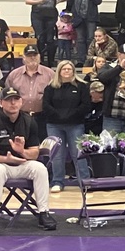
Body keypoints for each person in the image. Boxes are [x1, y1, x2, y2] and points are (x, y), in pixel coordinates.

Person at [0, 86, 58, 236]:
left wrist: (22, 151)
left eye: (16, 99)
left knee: (40, 168)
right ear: (0, 102)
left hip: (22, 163)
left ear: (21, 102)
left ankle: (44, 213)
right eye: (9, 100)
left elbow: (34, 153)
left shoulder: (29, 121)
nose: (13, 103)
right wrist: (6, 159)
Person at [43, 60, 92, 192]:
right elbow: (46, 106)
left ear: (73, 71)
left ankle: (84, 181)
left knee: (78, 153)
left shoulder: (81, 86)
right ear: (59, 71)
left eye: (69, 69)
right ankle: (57, 181)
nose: (66, 71)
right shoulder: (50, 87)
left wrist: (71, 115)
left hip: (75, 124)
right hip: (54, 124)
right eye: (64, 69)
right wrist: (59, 115)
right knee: (57, 155)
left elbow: (86, 105)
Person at [97, 45, 125, 176]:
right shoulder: (110, 67)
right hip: (112, 116)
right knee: (109, 147)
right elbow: (103, 78)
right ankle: (110, 177)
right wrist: (120, 67)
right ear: (119, 54)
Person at [4, 44, 54, 139]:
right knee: (20, 145)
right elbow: (7, 96)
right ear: (24, 57)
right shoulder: (14, 75)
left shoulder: (50, 74)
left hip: (43, 116)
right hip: (20, 116)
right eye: (29, 56)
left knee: (44, 147)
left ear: (39, 56)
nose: (32, 58)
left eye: (34, 55)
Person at [25, 0, 65, 66]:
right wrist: (38, 2)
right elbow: (27, 1)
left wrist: (58, 2)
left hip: (51, 16)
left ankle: (51, 61)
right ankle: (41, 60)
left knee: (50, 39)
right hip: (37, 16)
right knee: (40, 38)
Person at [68, 0, 101, 66]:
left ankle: (90, 59)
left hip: (90, 18)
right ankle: (81, 60)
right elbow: (69, 6)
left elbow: (98, 1)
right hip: (78, 18)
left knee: (90, 38)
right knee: (80, 39)